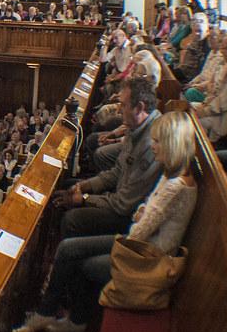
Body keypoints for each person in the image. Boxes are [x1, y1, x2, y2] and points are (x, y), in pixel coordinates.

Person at [13, 111, 199, 332]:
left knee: (80, 260)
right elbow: (147, 206)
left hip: (148, 254)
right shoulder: (172, 171)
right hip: (139, 242)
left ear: (172, 144)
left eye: (158, 141)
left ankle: (68, 318)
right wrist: (143, 213)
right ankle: (49, 313)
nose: (153, 146)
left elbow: (139, 231)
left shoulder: (175, 185)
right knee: (68, 248)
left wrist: (142, 215)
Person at [59, 77, 162, 239]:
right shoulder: (136, 125)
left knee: (71, 220)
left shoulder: (151, 145)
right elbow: (117, 171)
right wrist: (85, 186)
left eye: (123, 104)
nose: (119, 110)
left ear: (139, 107)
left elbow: (124, 205)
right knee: (70, 185)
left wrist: (85, 198)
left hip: (130, 217)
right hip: (123, 198)